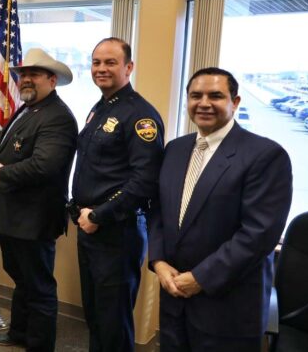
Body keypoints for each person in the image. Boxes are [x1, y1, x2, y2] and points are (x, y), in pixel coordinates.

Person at [149, 67, 293, 351]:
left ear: (235, 102)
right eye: (195, 95)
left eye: (215, 95)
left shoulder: (265, 155)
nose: (203, 103)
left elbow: (258, 235)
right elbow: (158, 211)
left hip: (227, 307)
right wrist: (158, 261)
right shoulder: (175, 149)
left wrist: (201, 278)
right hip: (174, 297)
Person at [70, 37, 164, 352]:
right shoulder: (100, 108)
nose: (101, 68)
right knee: (95, 314)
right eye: (96, 62)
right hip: (90, 227)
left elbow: (144, 180)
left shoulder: (140, 115)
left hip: (116, 232)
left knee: (112, 320)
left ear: (128, 67)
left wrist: (99, 215)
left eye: (110, 62)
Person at [0, 48, 78, 351]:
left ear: (52, 80)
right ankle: (19, 333)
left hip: (33, 220)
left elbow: (45, 166)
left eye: (34, 74)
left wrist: (3, 174)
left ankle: (39, 346)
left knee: (39, 287)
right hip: (13, 217)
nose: (25, 79)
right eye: (23, 73)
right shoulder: (28, 108)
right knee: (23, 281)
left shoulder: (58, 117)